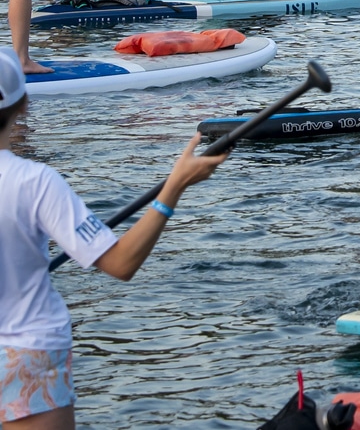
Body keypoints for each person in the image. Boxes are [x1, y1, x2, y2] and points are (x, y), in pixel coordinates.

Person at [0, 50, 230, 430]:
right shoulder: (35, 182)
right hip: (30, 351)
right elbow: (121, 263)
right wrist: (174, 186)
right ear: (24, 105)